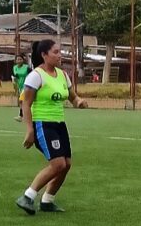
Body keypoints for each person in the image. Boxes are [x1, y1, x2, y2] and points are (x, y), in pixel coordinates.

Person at [15, 39, 88, 215]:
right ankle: (27, 196)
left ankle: (47, 200)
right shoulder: (36, 76)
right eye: (55, 52)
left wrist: (79, 101)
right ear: (44, 55)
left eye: (60, 52)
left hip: (59, 124)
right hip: (43, 124)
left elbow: (72, 97)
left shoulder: (63, 75)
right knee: (58, 164)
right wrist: (30, 129)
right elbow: (26, 104)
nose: (59, 55)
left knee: (66, 164)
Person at [12, 54, 29, 121]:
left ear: (23, 60)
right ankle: (23, 115)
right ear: (15, 61)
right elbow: (15, 76)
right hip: (20, 86)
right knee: (22, 101)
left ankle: (21, 116)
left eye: (20, 59)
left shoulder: (27, 67)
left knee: (21, 100)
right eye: (18, 59)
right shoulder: (15, 68)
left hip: (27, 86)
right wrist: (14, 82)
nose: (19, 61)